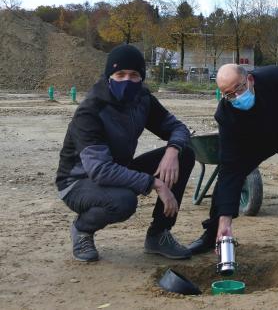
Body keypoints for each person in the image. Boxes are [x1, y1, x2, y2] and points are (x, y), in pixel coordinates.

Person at [55, 44, 195, 262]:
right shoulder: (91, 111)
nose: (127, 80)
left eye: (134, 75)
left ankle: (159, 235)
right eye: (120, 74)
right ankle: (82, 229)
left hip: (118, 170)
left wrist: (172, 150)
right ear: (109, 75)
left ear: (141, 78)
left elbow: (178, 128)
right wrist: (155, 183)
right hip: (79, 181)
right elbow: (99, 170)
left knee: (185, 154)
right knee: (124, 201)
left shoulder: (142, 99)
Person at [188, 64, 278, 257]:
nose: (236, 97)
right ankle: (214, 233)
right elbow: (229, 169)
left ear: (250, 80)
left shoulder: (275, 78)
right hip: (253, 141)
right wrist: (225, 221)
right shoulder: (226, 115)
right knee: (227, 177)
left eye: (239, 89)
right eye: (228, 94)